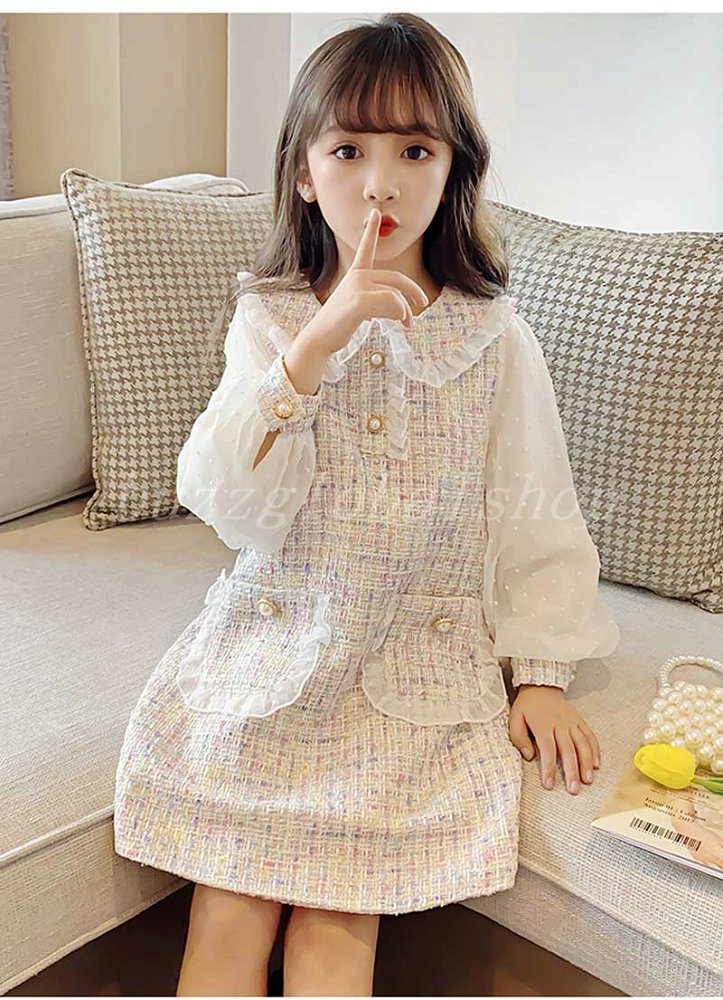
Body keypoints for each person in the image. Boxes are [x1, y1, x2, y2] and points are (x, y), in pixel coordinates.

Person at [113, 13, 620, 997]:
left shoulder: (492, 336)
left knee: (339, 924)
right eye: (348, 150)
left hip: (414, 659)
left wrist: (541, 671)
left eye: (414, 150)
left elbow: (535, 510)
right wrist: (316, 344)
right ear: (304, 172)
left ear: (454, 167)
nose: (379, 183)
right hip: (276, 642)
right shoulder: (271, 319)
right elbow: (232, 502)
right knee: (228, 912)